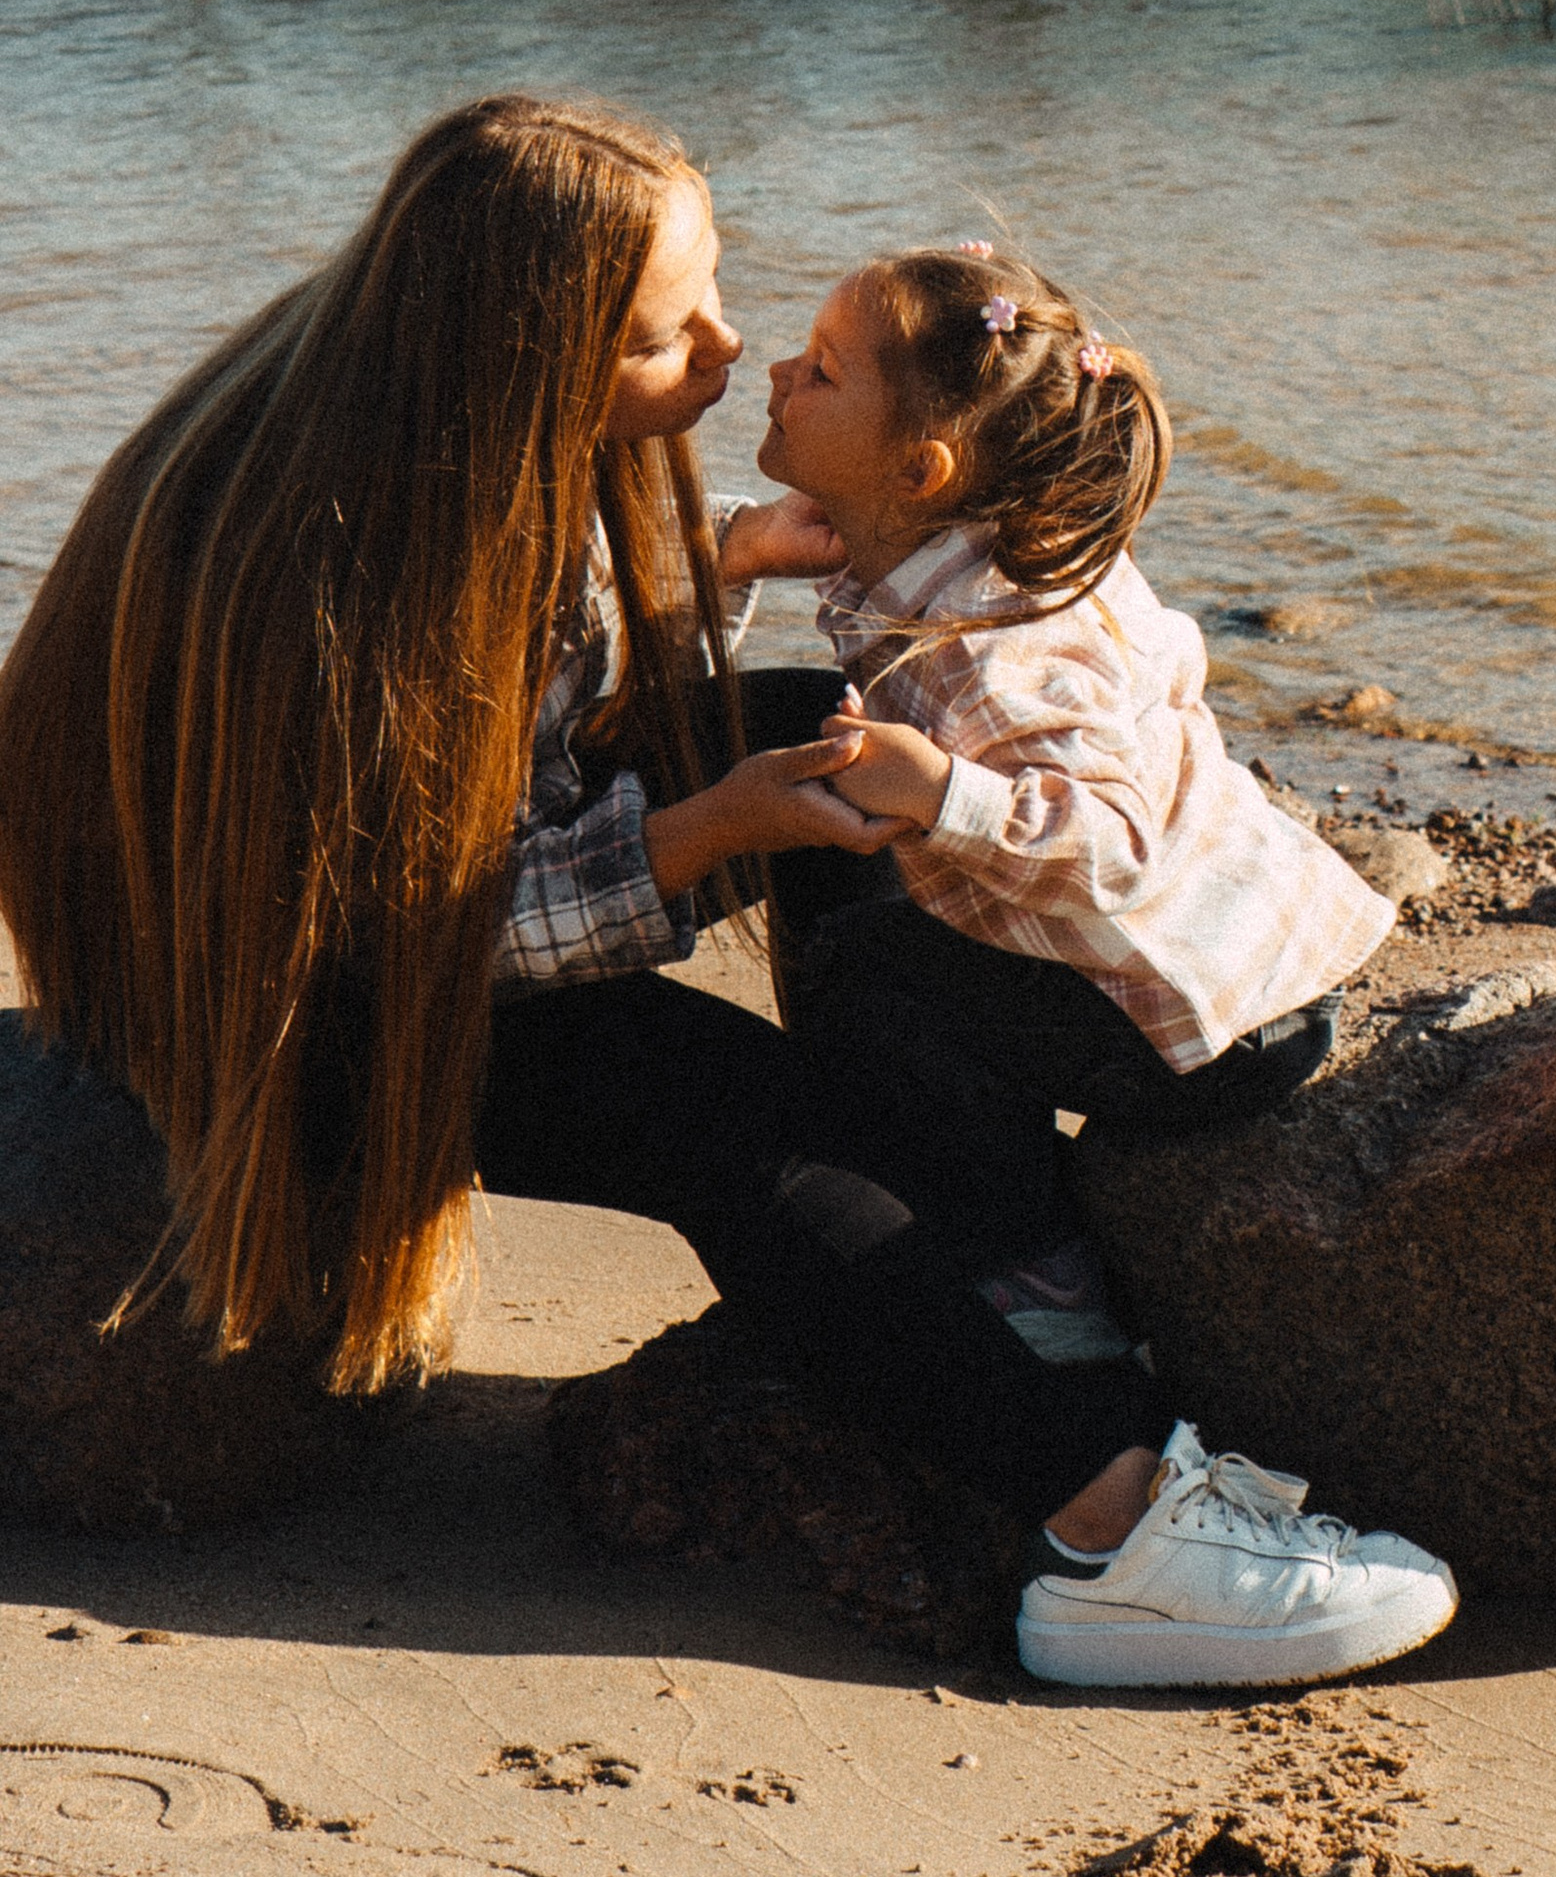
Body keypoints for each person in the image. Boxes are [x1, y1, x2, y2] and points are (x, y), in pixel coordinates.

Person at [0, 97, 1452, 1691]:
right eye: (661, 331)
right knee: (730, 1119)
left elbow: (527, 699)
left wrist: (721, 576)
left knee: (805, 741)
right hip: (277, 1009)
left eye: (715, 285)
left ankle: (969, 1241)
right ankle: (1109, 1526)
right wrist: (692, 840)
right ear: (527, 354)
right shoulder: (343, 565)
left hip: (396, 911)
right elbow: (386, 937)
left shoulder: (415, 418)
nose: (726, 341)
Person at [757, 239, 1456, 1685]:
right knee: (874, 903)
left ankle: (1036, 1272)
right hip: (1258, 957)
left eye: (819, 370)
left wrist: (944, 797)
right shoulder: (1017, 561)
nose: (776, 368)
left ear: (926, 471)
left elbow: (1117, 844)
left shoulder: (983, 658)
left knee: (865, 978)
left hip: (1205, 1030)